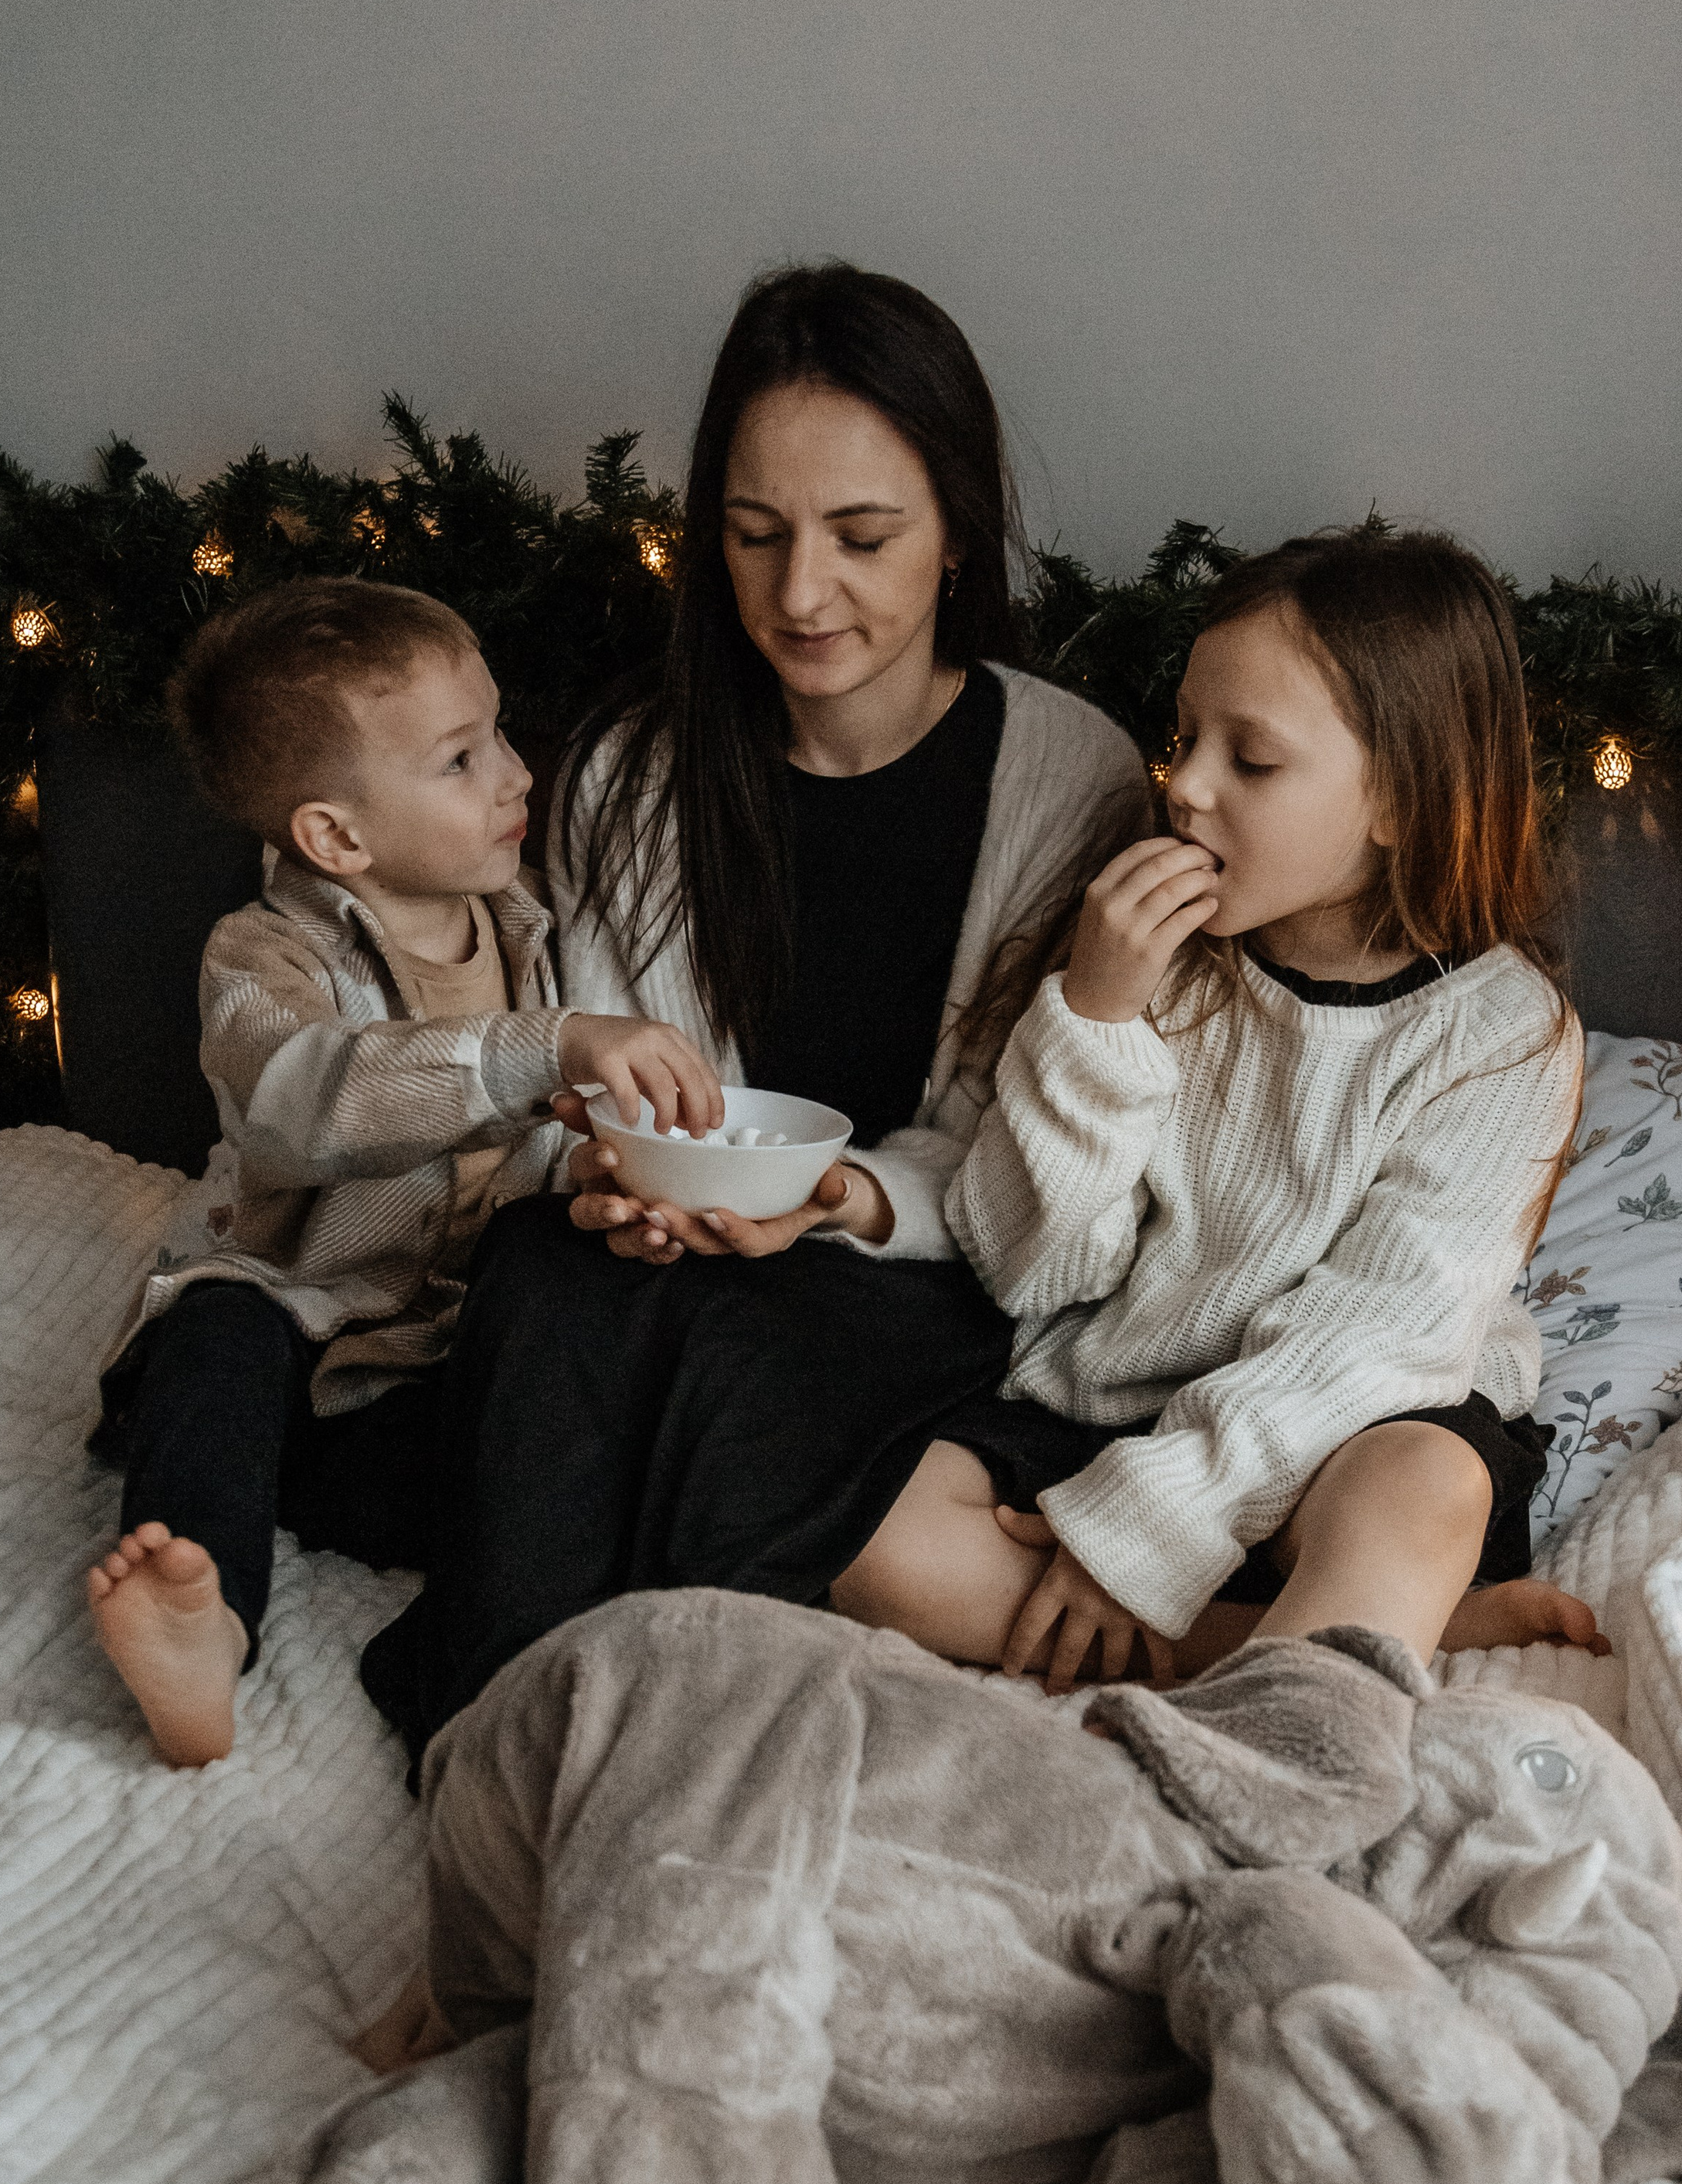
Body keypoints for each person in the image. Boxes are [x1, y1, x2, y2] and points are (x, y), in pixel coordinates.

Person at [358, 263, 1147, 1764]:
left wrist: (835, 1202)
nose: (800, 596)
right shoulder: (627, 776)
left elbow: (1038, 1152)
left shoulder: (1073, 779)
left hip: (926, 1270)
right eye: (753, 534)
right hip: (680, 1266)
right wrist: (614, 1180)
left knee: (700, 1373)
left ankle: (651, 1761)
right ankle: (493, 1765)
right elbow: (596, 1082)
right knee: (542, 1274)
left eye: (860, 538)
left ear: (957, 529)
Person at [829, 525, 1603, 1692]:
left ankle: (1287, 1709)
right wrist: (1094, 1020)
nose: (1184, 787)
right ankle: (1267, 1647)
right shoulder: (1159, 966)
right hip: (1115, 1402)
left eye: (1253, 761)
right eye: (1187, 739)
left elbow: (1380, 1337)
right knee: (872, 1542)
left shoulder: (1503, 1036)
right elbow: (1030, 1270)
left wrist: (1148, 1531)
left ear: (1401, 798)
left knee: (1424, 1489)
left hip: (1339, 1419)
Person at [83, 577, 719, 1767]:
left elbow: (540, 1149)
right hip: (296, 1323)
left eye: (502, 735)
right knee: (213, 1343)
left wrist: (604, 1167)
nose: (518, 776)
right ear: (337, 837)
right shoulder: (265, 955)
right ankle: (205, 1621)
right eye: (462, 761)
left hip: (428, 1367)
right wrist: (543, 1050)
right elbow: (305, 1100)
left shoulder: (531, 929)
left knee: (561, 1426)